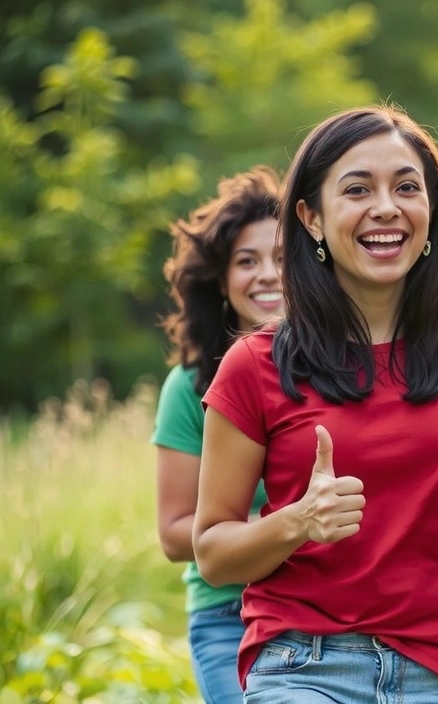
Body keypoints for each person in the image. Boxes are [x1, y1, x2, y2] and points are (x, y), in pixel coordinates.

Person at [191, 105, 438, 704]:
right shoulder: (255, 365)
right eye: (358, 189)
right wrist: (297, 521)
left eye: (406, 188)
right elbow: (212, 553)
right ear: (311, 218)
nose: (387, 207)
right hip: (305, 667)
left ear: (431, 214)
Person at [153, 166, 282, 703]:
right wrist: (281, 529)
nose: (268, 275)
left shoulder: (348, 368)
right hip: (229, 611)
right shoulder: (189, 387)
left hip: (333, 606)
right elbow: (175, 532)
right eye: (246, 262)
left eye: (282, 258)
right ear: (222, 282)